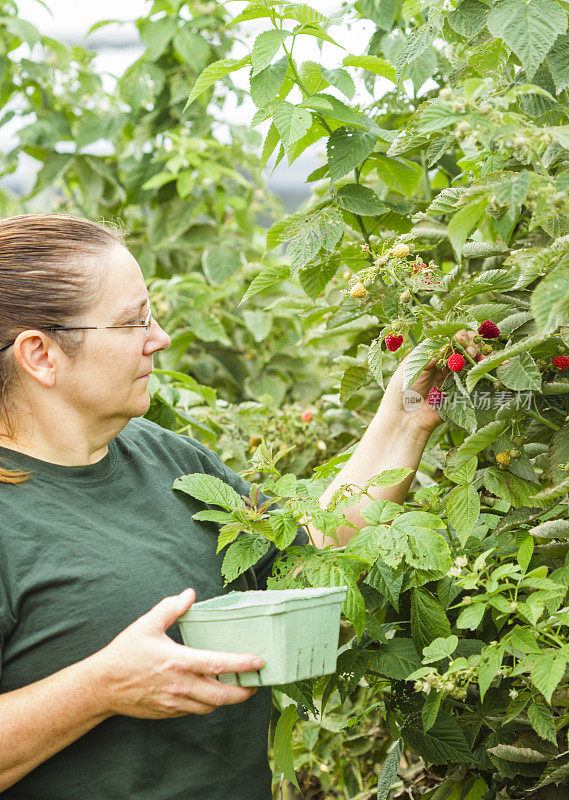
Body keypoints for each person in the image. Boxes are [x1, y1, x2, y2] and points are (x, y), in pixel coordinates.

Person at [0, 213, 485, 799]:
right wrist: (100, 687)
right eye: (134, 321)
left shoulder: (165, 459)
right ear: (41, 355)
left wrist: (407, 416)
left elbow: (308, 574)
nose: (160, 338)